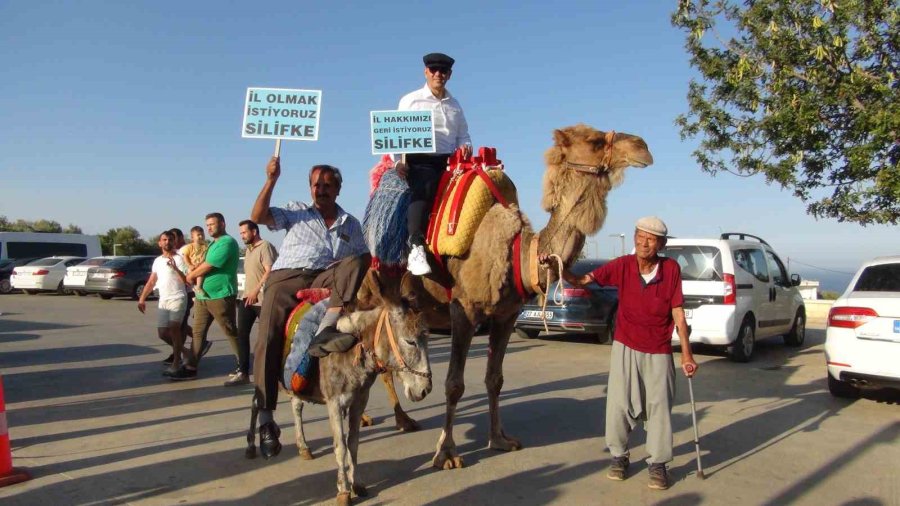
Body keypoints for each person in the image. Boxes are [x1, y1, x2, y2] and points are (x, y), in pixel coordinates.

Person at [543, 216, 698, 490]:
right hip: (625, 345)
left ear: (661, 244)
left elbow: (678, 312)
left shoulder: (670, 269)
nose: (643, 243)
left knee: (660, 407)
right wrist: (559, 268)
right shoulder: (623, 265)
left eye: (651, 239)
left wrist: (687, 354)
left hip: (659, 349)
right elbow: (583, 280)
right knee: (618, 404)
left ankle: (658, 464)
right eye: (640, 236)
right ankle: (619, 456)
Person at [249, 157, 371, 459]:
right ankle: (266, 417)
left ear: (338, 189)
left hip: (326, 279)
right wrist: (271, 179)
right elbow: (259, 216)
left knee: (360, 259)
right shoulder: (296, 211)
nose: (321, 189)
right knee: (268, 334)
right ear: (310, 188)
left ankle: (327, 327)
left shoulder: (350, 223)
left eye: (327, 185)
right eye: (316, 185)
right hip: (288, 277)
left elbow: (361, 262)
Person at [394, 52, 472, 276]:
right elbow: (394, 134)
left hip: (449, 161)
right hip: (420, 160)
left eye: (443, 70)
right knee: (426, 186)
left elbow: (464, 136)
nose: (439, 74)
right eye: (434, 70)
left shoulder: (455, 105)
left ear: (449, 74)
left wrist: (466, 147)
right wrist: (398, 162)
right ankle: (415, 246)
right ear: (426, 72)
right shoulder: (411, 100)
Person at [179, 213, 241, 381]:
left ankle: (242, 365)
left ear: (223, 224)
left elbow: (208, 265)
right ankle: (191, 367)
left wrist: (190, 276)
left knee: (229, 330)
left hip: (220, 295)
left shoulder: (227, 242)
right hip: (203, 296)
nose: (209, 228)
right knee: (198, 332)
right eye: (207, 225)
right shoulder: (212, 244)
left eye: (212, 224)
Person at [229, 219, 277, 387]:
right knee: (242, 334)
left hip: (263, 300)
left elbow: (270, 271)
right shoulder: (249, 250)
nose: (242, 236)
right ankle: (243, 372)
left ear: (254, 231)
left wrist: (256, 290)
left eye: (244, 232)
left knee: (267, 337)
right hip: (247, 298)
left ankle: (271, 373)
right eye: (241, 233)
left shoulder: (265, 246)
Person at [137, 231, 188, 377]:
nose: (167, 242)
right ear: (159, 243)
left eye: (170, 239)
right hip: (163, 300)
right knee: (162, 333)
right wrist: (142, 299)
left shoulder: (179, 258)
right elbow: (152, 281)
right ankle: (186, 352)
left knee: (174, 329)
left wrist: (175, 268)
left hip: (178, 298)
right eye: (164, 240)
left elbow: (186, 280)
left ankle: (176, 363)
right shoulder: (157, 261)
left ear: (174, 242)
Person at [170, 227, 212, 363]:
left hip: (187, 292)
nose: (171, 241)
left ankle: (183, 354)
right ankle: (181, 351)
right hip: (180, 290)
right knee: (177, 325)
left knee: (180, 325)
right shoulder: (179, 251)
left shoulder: (186, 249)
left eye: (173, 238)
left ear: (181, 238)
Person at [182, 226, 209, 298]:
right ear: (192, 237)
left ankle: (198, 287)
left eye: (202, 235)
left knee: (201, 273)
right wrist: (190, 265)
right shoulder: (189, 246)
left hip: (200, 266)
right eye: (198, 235)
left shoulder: (206, 247)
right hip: (191, 266)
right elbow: (185, 257)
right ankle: (193, 287)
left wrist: (200, 264)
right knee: (191, 274)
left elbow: (206, 257)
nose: (201, 237)